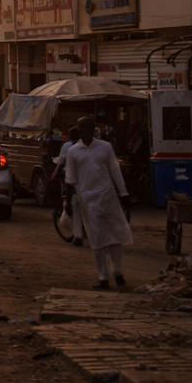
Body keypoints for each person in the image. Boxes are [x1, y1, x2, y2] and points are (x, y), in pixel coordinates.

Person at [63, 116, 134, 289]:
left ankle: (118, 272)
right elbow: (70, 180)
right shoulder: (73, 152)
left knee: (115, 236)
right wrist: (68, 206)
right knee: (97, 239)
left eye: (91, 127)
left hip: (109, 197)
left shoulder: (105, 147)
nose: (88, 131)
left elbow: (115, 171)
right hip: (89, 200)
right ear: (79, 131)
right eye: (84, 128)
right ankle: (103, 276)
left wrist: (123, 194)